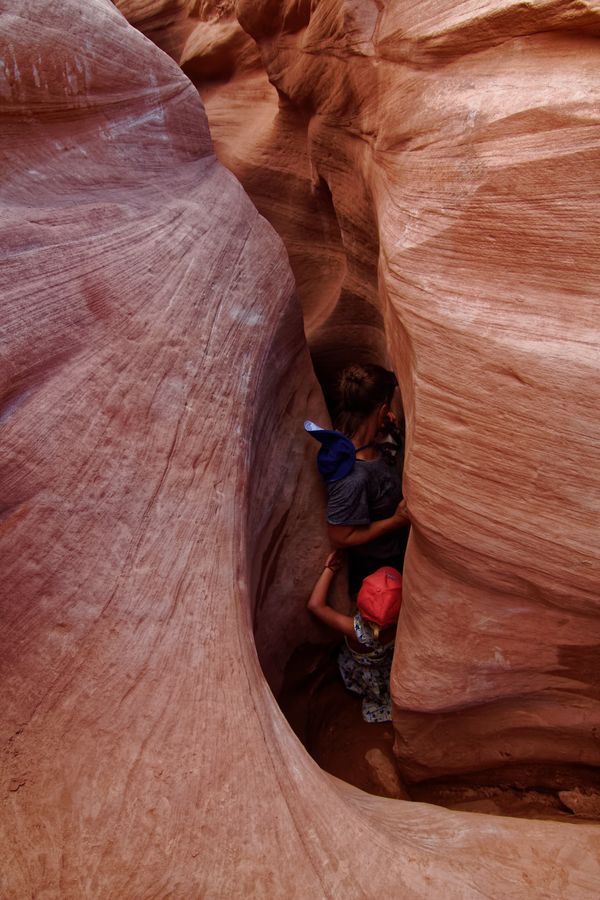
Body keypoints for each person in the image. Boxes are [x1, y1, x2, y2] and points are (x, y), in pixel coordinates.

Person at [305, 363, 410, 595]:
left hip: (394, 551)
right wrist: (396, 521)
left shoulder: (367, 436)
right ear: (382, 410)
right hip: (377, 573)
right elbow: (340, 536)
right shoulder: (353, 475)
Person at [307, 550, 402, 723]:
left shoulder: (354, 629)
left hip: (363, 672)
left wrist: (330, 569)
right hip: (385, 669)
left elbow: (315, 605)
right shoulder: (400, 628)